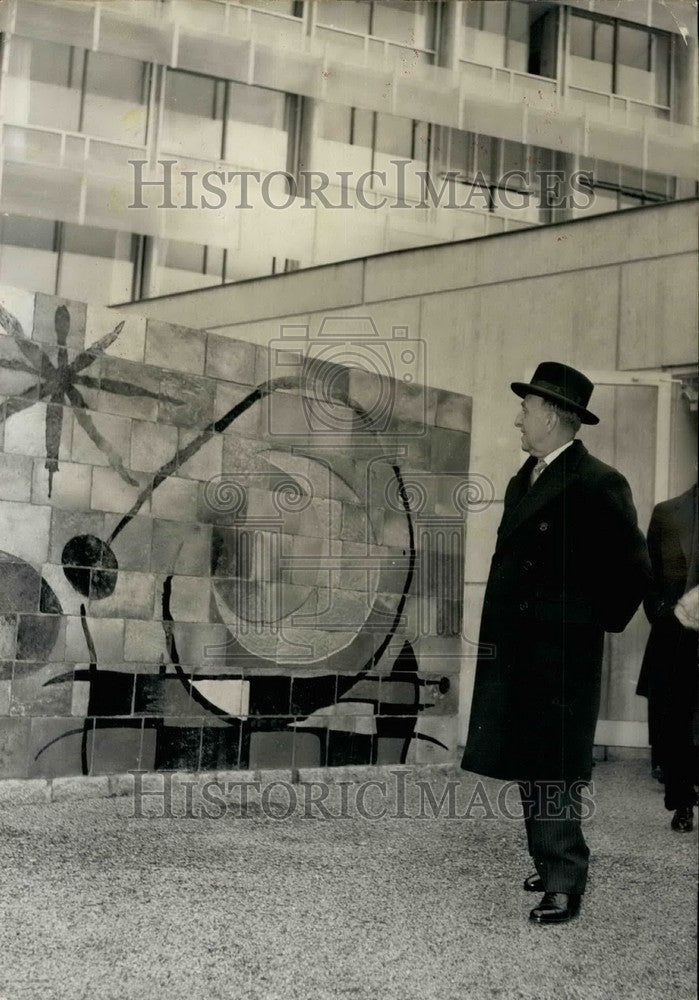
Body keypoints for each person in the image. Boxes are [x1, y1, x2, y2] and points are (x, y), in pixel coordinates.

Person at [462, 362, 651, 925]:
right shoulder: (530, 476)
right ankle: (549, 864)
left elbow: (634, 571)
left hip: (558, 653)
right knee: (531, 757)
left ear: (551, 415)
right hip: (521, 647)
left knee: (555, 767)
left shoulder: (598, 481)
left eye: (526, 409)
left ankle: (565, 881)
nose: (518, 417)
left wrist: (582, 622)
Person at [636, 482, 698, 832]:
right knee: (675, 722)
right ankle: (682, 802)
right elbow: (649, 575)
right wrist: (663, 611)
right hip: (676, 634)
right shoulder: (667, 512)